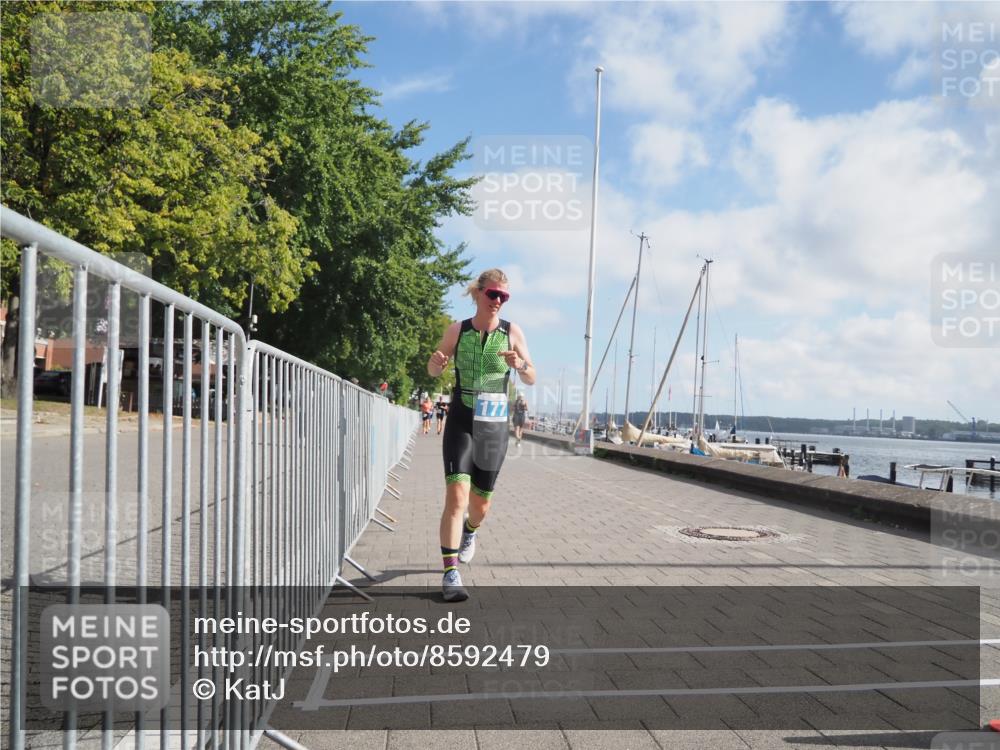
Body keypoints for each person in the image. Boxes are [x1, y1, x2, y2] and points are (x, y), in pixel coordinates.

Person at [427, 269, 535, 602]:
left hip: (493, 425)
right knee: (456, 497)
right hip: (461, 418)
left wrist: (519, 364)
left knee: (480, 506)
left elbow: (531, 376)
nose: (498, 302)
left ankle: (470, 533)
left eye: (504, 297)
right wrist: (436, 364)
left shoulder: (512, 332)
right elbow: (433, 369)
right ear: (479, 294)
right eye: (493, 295)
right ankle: (450, 574)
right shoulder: (457, 330)